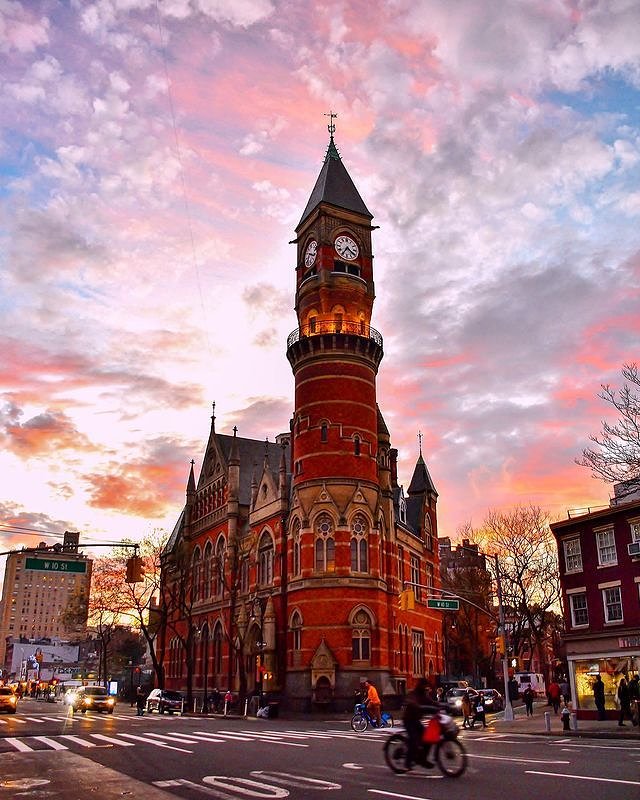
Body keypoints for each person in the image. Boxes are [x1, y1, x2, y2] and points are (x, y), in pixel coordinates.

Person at [401, 677, 440, 770]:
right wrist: (419, 707)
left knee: (428, 738)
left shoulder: (423, 695)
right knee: (414, 740)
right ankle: (408, 762)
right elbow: (411, 702)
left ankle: (422, 759)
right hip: (408, 720)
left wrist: (444, 706)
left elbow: (431, 702)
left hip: (416, 720)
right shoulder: (413, 694)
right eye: (425, 687)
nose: (426, 689)